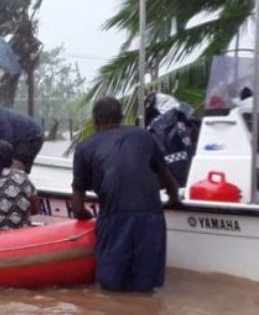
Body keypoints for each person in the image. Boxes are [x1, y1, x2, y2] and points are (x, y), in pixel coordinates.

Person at [72, 96, 182, 292]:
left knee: (111, 287)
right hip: (151, 215)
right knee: (145, 288)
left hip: (114, 216)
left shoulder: (85, 147)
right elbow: (166, 176)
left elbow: (78, 197)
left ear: (95, 121)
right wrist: (174, 199)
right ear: (122, 117)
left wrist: (82, 213)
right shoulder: (145, 136)